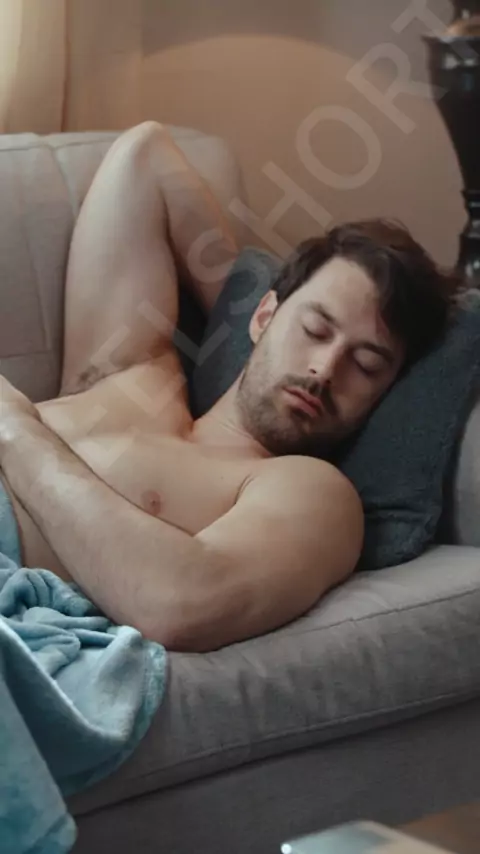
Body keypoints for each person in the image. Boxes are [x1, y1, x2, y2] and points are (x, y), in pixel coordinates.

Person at [0, 122, 457, 652]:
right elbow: (146, 155)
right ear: (264, 315)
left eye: (367, 364)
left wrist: (16, 431)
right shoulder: (134, 372)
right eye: (314, 329)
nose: (324, 370)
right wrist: (236, 311)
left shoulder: (310, 492)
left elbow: (181, 605)